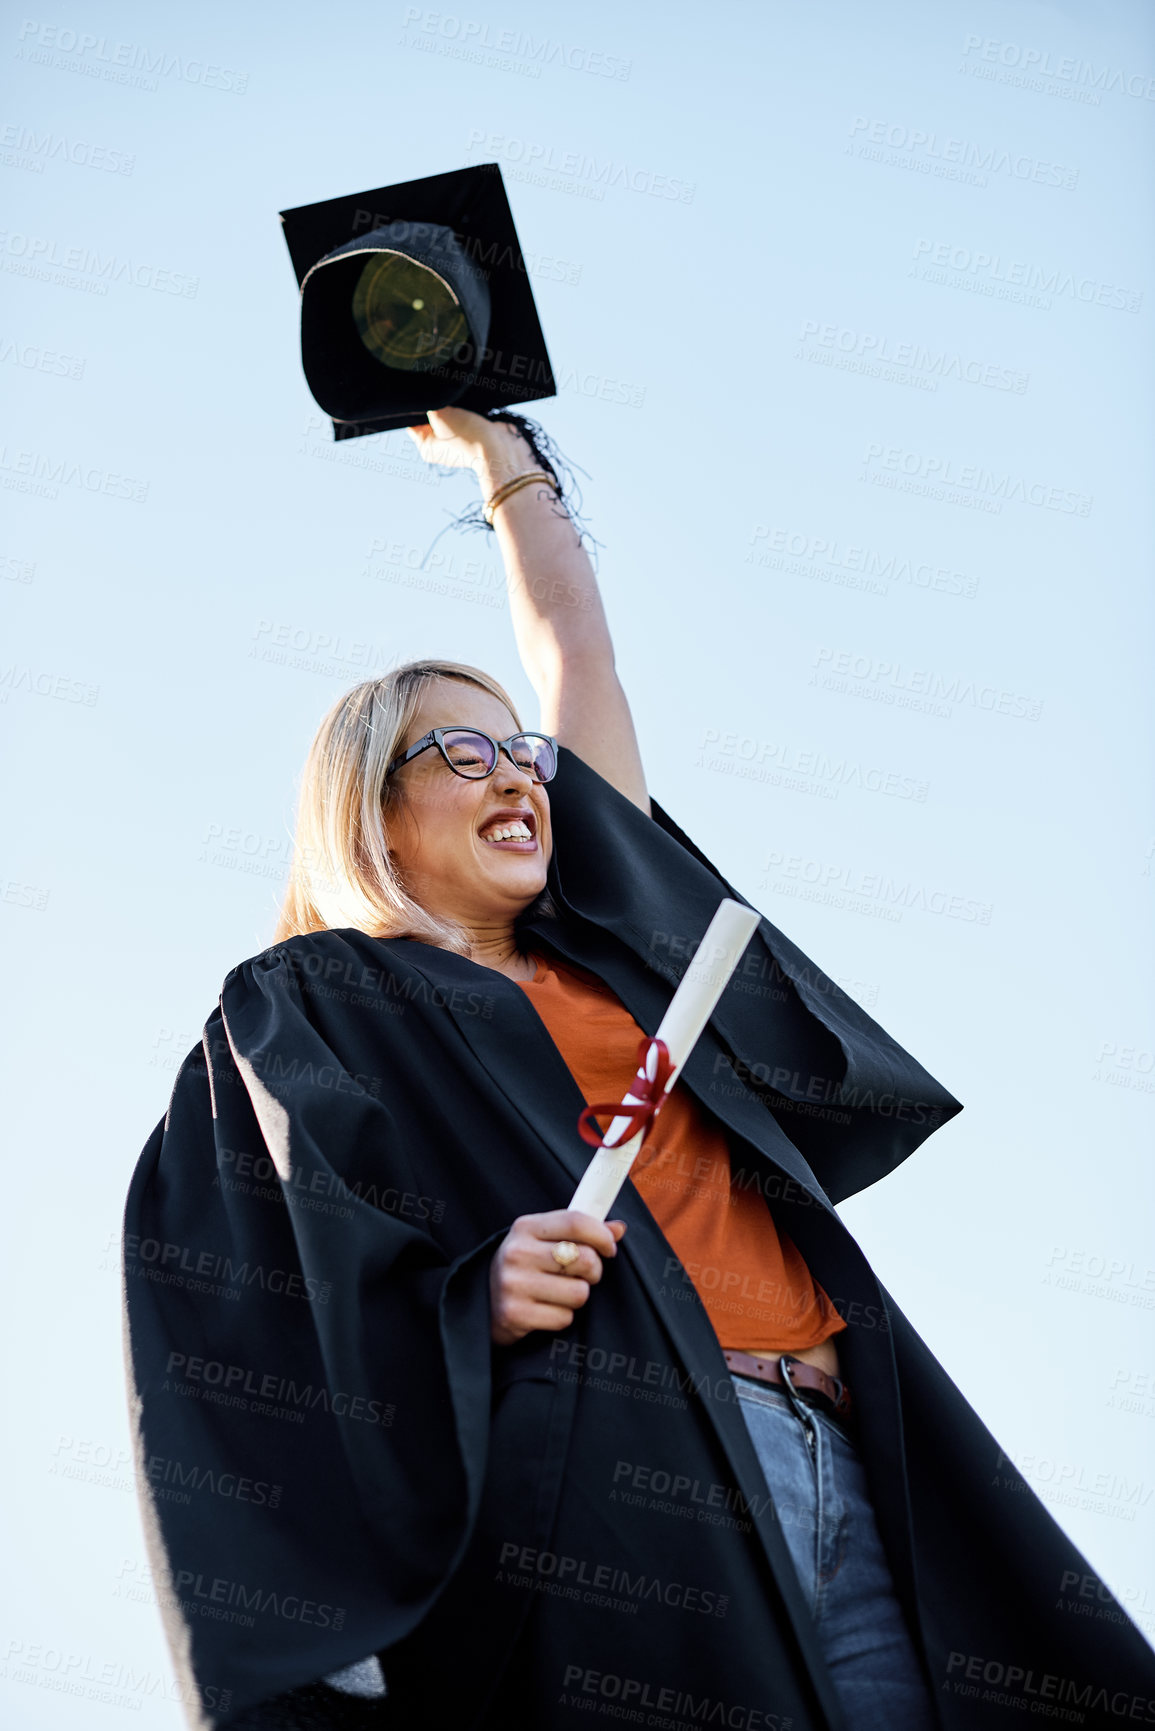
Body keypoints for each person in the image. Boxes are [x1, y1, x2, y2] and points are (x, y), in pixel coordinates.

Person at [123, 410, 1155, 1731]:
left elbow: (577, 653)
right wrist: (469, 1298)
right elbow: (260, 1297)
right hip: (634, 1481)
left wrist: (507, 461)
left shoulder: (615, 948)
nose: (518, 776)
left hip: (846, 1438)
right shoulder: (314, 1005)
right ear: (369, 802)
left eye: (526, 756)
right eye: (462, 752)